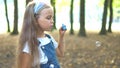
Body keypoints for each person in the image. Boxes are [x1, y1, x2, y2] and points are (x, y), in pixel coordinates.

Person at [17, 1, 66, 68]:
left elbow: (61, 53)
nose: (52, 21)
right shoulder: (29, 45)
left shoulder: (49, 38)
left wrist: (61, 36)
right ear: (35, 20)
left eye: (52, 17)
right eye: (48, 18)